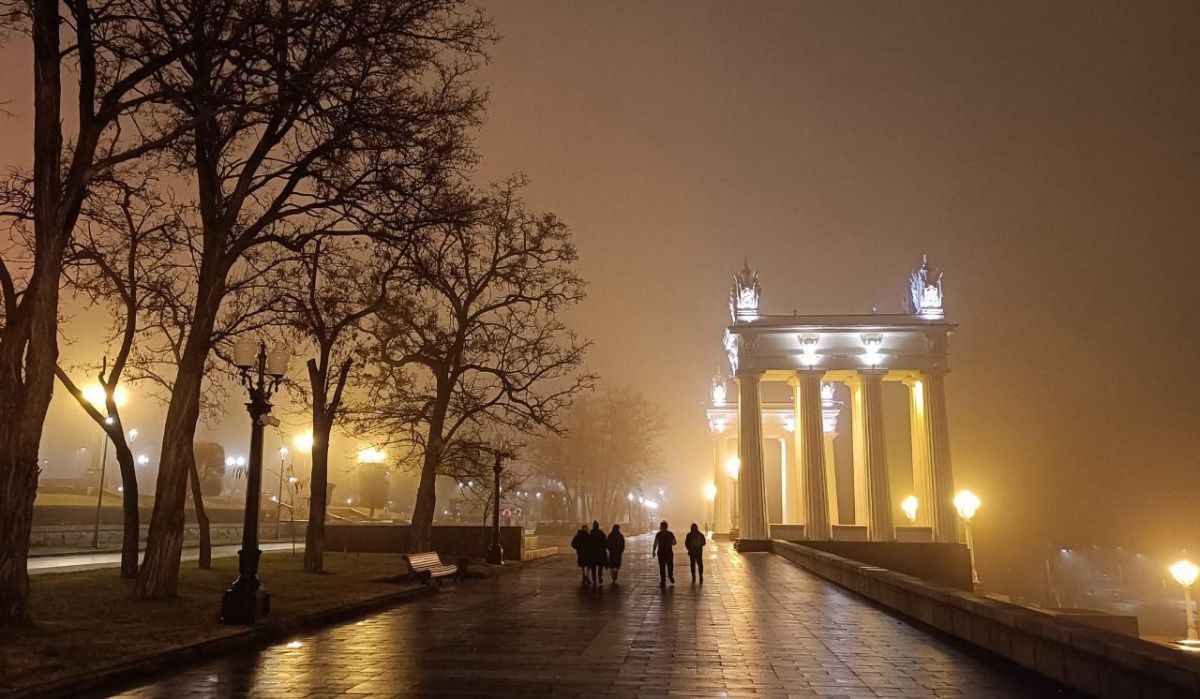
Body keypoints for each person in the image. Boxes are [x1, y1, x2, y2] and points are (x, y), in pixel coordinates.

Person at [651, 520, 676, 585]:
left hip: (661, 553)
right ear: (667, 526)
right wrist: (669, 543)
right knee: (670, 565)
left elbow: (655, 543)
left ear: (661, 526)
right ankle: (670, 575)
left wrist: (653, 551)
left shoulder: (658, 534)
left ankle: (663, 581)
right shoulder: (670, 534)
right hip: (669, 552)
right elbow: (674, 542)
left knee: (662, 567)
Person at [587, 520, 608, 585]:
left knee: (593, 567)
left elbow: (588, 543)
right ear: (598, 526)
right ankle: (600, 576)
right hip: (600, 553)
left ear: (593, 526)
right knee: (600, 566)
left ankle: (594, 579)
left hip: (593, 553)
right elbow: (605, 543)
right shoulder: (601, 533)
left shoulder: (591, 534)